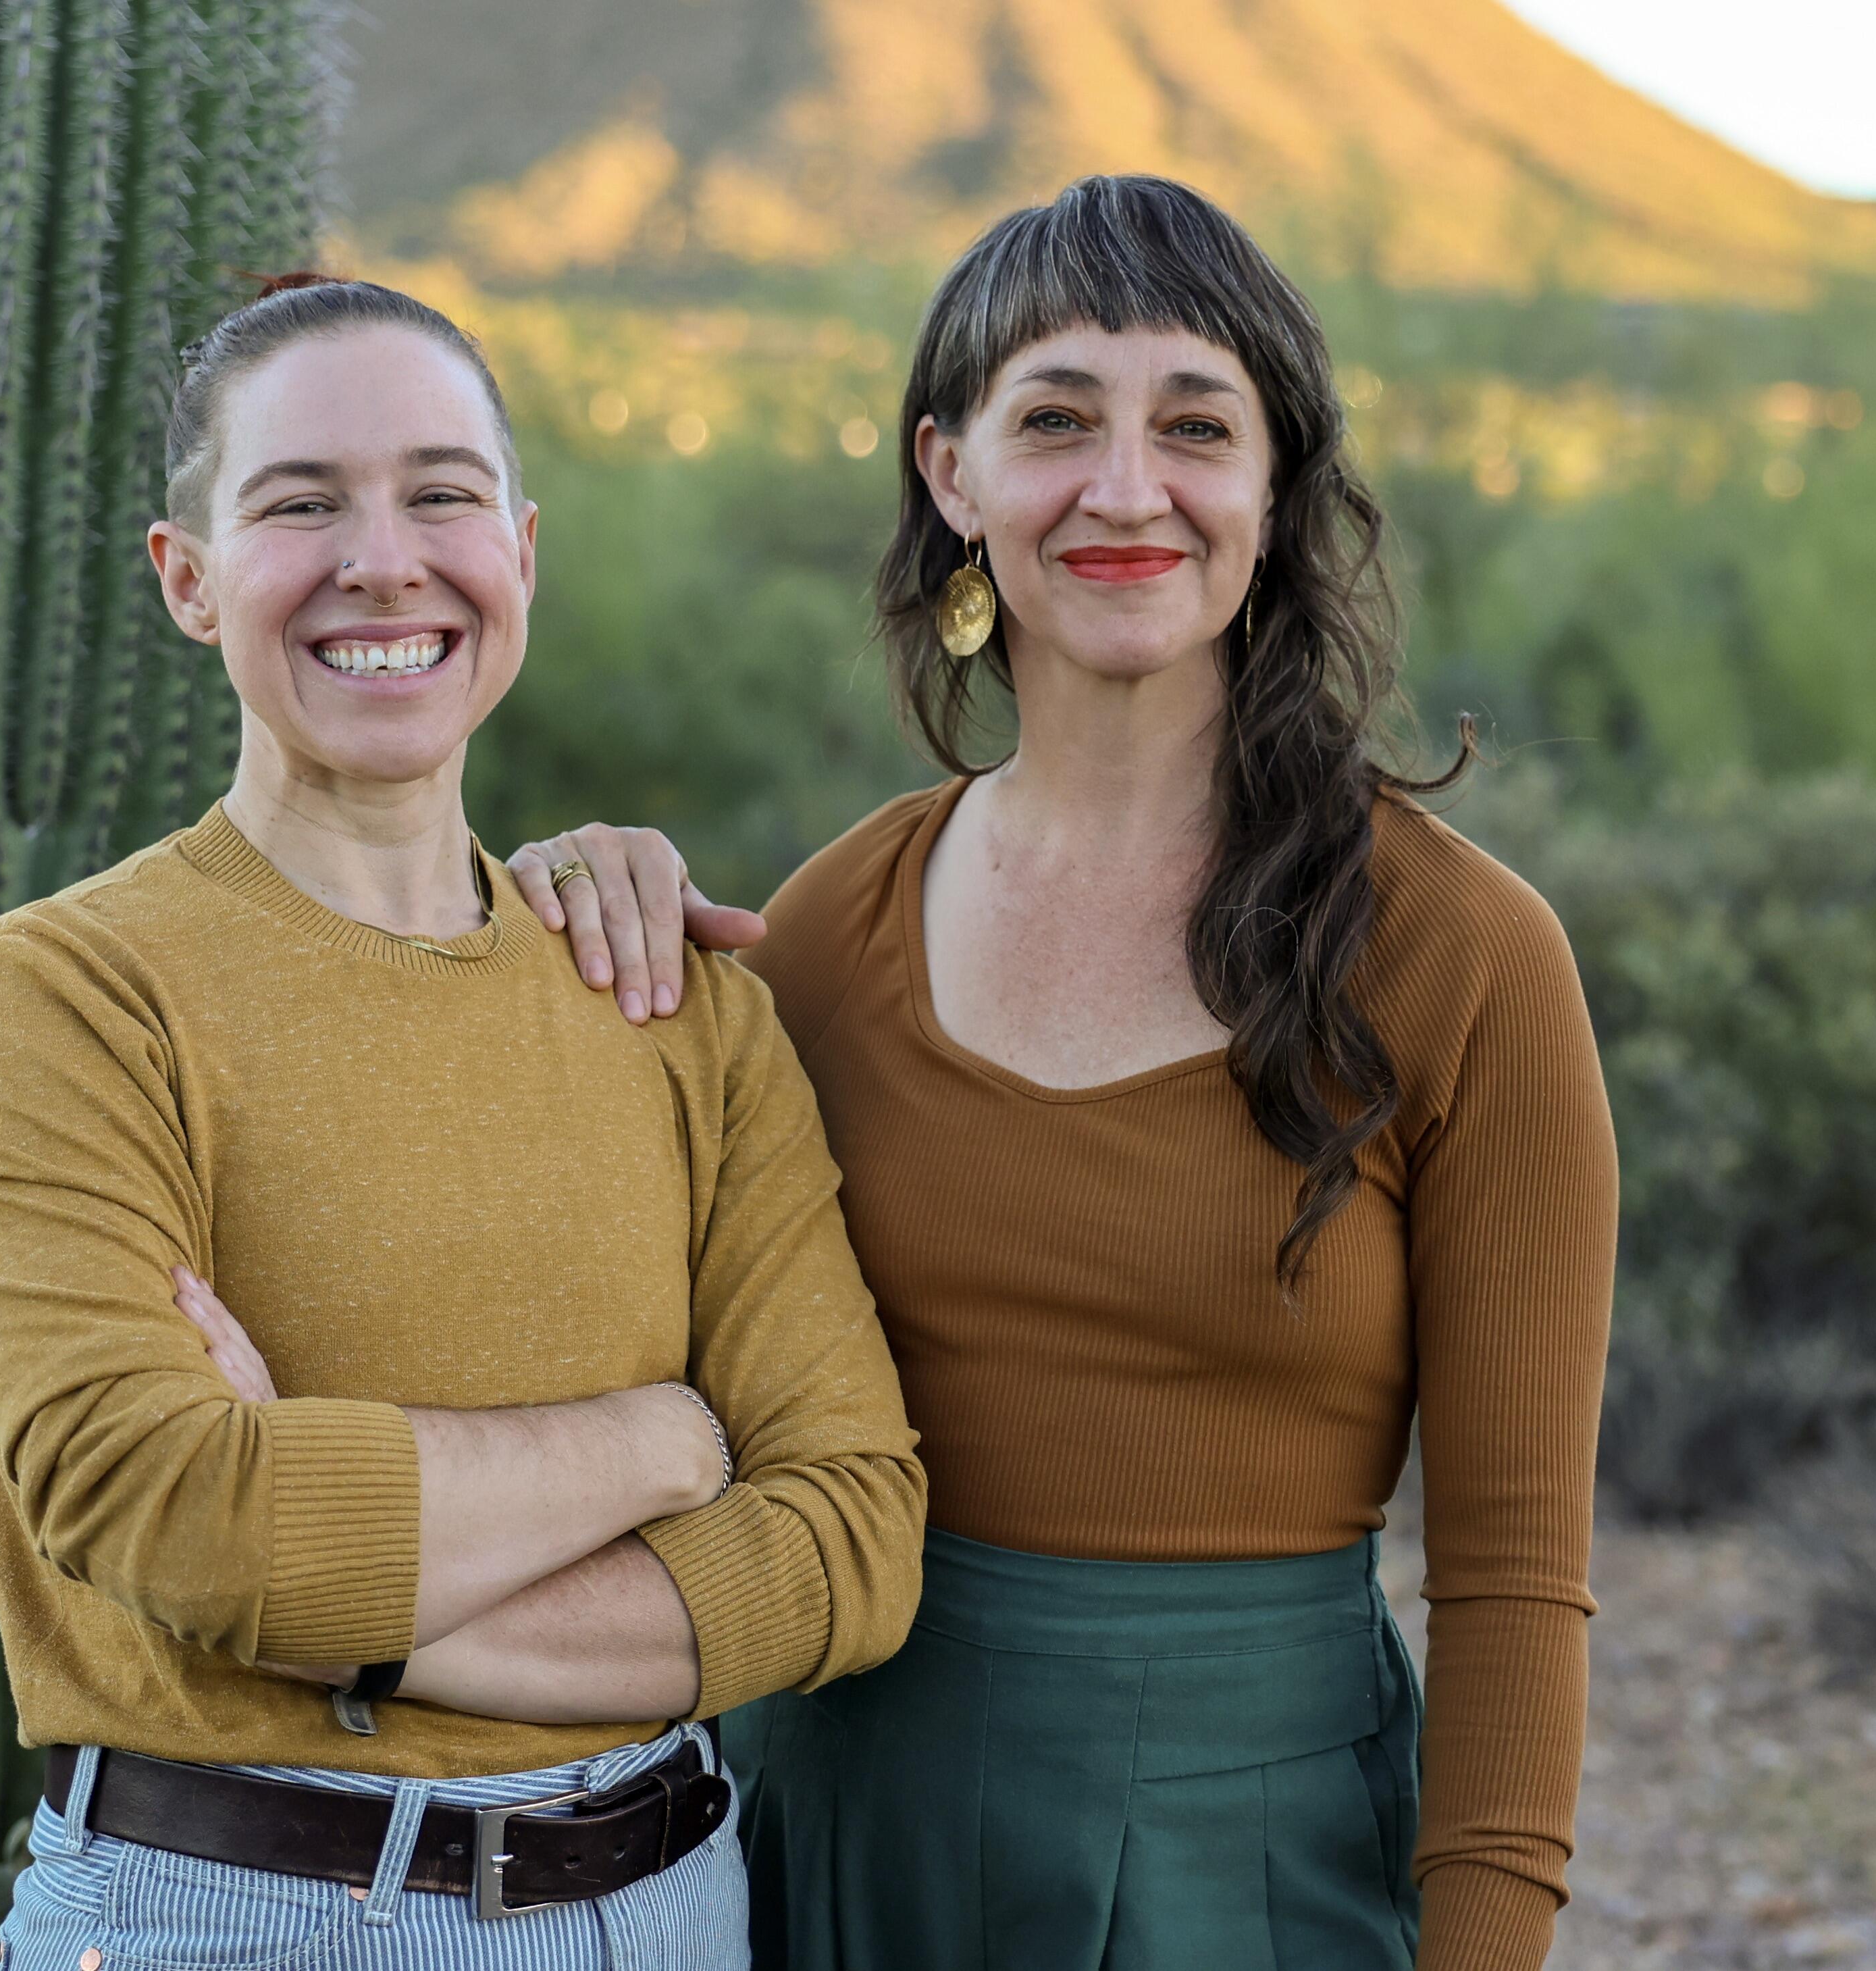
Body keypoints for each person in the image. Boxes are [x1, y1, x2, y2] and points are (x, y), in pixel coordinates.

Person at [509, 176, 1618, 1971]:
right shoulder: (822, 937)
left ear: (1276, 485)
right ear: (951, 474)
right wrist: (548, 929)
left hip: (1250, 1861)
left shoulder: (1465, 960)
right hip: (830, 1831)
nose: (1124, 489)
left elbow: (1509, 1576)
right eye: (1053, 420)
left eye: (1195, 423)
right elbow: (620, 1350)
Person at [0, 275, 923, 1971]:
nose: (383, 557)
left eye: (440, 493)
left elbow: (851, 1546)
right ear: (188, 578)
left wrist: (350, 1610)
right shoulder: (59, 999)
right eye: (299, 504)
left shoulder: (683, 1006)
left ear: (518, 553)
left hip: (679, 1908)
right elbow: (182, 1513)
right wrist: (663, 1441)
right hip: (230, 1919)